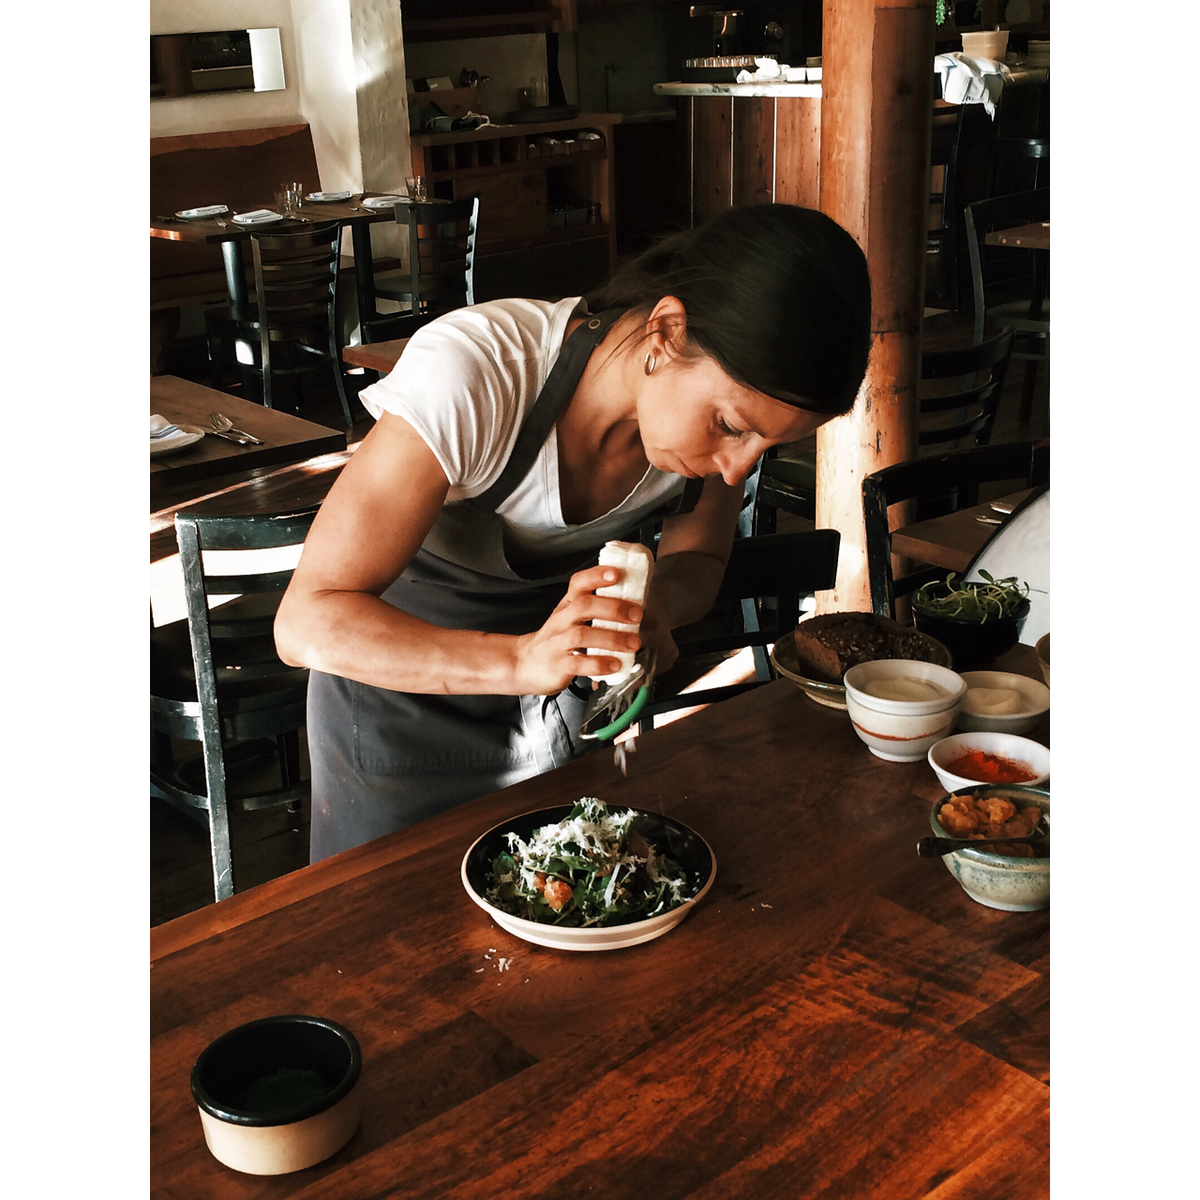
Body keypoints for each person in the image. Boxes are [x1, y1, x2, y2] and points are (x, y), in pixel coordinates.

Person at [274, 203, 872, 862]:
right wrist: (519, 661)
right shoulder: (479, 373)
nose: (737, 468)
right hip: (393, 722)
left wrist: (651, 610)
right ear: (666, 332)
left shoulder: (711, 438)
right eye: (730, 426)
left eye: (768, 447)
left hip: (547, 718)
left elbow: (698, 559)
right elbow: (306, 622)